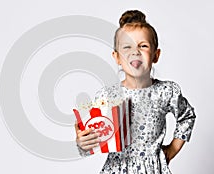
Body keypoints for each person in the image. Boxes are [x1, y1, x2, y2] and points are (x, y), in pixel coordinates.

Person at [74, 10, 196, 174]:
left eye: (143, 46)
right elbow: (91, 136)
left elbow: (186, 116)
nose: (135, 51)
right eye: (127, 47)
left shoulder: (166, 92)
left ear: (155, 55)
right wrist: (82, 141)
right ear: (117, 57)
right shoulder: (107, 97)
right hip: (116, 169)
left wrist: (172, 150)